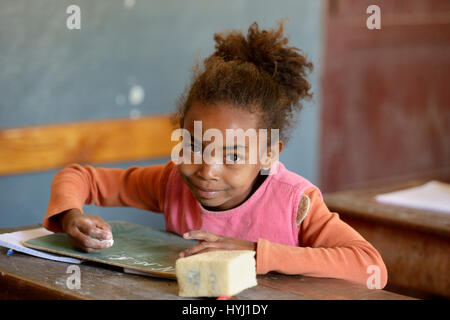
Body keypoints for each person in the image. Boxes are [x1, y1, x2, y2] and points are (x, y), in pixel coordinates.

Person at [43, 21, 387, 288]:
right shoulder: (171, 182)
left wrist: (256, 254)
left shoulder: (296, 203)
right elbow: (79, 177)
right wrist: (71, 217)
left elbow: (370, 266)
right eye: (194, 146)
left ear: (268, 154)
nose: (208, 169)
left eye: (233, 156)